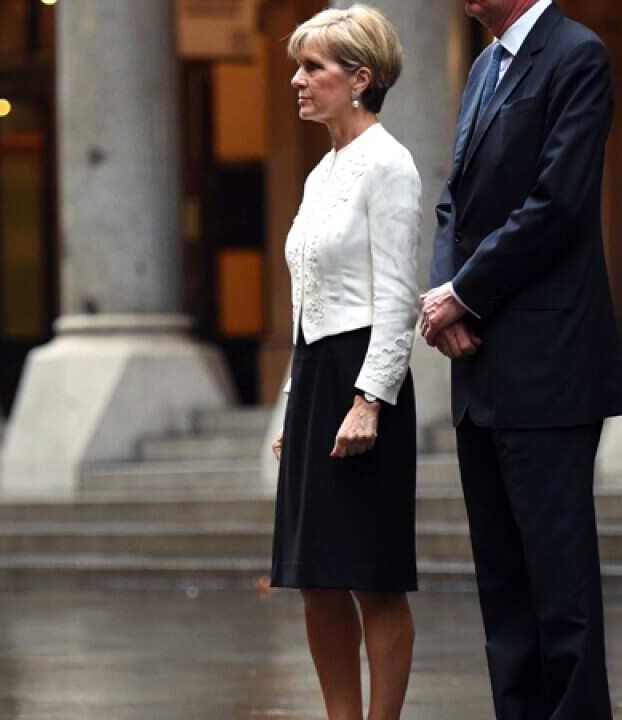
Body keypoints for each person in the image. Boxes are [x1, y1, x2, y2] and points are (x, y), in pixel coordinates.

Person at [420, 1, 622, 718]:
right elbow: (453, 201)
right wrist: (446, 298)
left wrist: (464, 294)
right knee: (503, 592)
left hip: (549, 364)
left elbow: (558, 202)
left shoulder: (577, 55)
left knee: (560, 591)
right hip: (479, 364)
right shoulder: (483, 65)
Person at [268, 5, 422, 719]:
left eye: (313, 67)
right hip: (316, 377)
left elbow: (397, 295)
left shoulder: (388, 164)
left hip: (363, 379)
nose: (297, 81)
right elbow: (307, 300)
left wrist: (370, 400)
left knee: (372, 577)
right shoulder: (320, 172)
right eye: (297, 67)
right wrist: (293, 401)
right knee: (316, 577)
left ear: (360, 79)